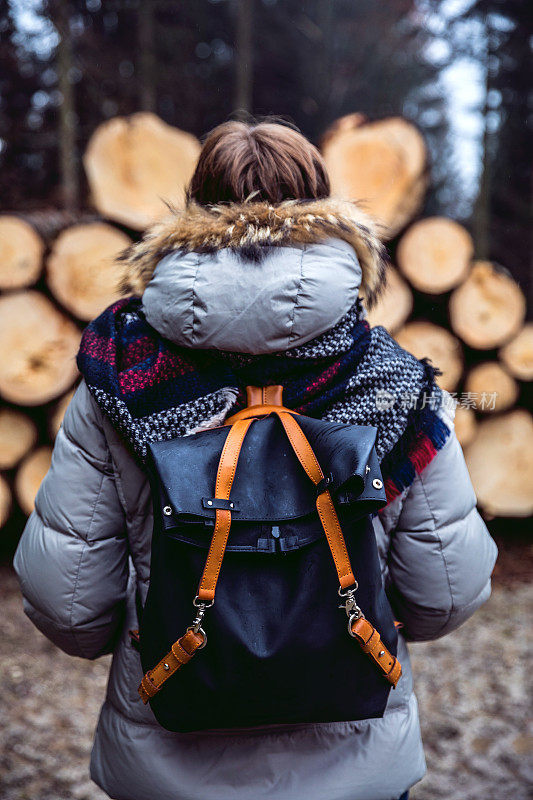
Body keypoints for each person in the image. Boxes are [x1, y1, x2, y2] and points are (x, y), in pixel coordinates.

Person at [14, 120, 497, 800]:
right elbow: (442, 597)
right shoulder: (394, 383)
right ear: (326, 214)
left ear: (195, 209)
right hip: (355, 761)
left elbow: (70, 607)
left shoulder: (119, 377)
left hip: (168, 750)